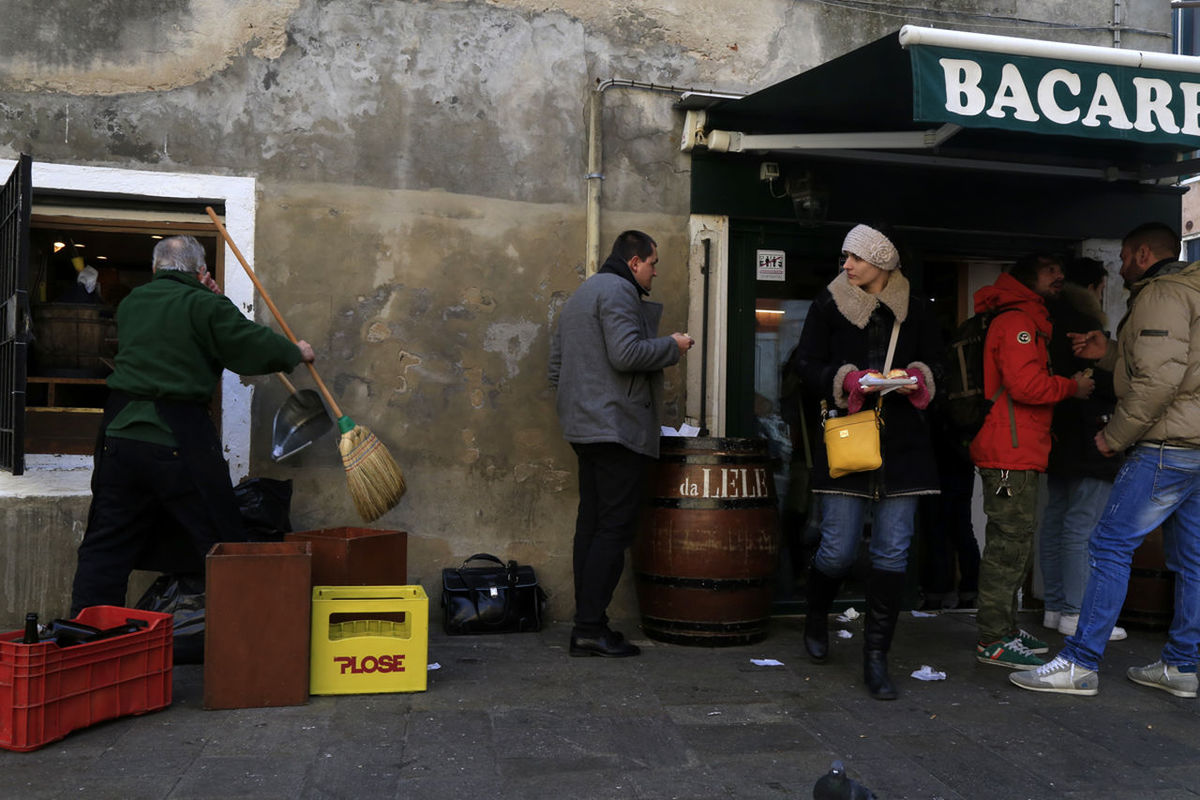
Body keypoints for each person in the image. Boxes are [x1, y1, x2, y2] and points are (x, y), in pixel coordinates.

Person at [70, 235, 315, 614]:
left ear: (155, 269)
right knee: (220, 540)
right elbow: (249, 348)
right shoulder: (204, 305)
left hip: (119, 435)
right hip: (176, 433)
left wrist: (212, 299)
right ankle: (247, 637)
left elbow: (187, 323)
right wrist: (294, 352)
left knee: (106, 544)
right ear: (201, 271)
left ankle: (89, 640)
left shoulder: (134, 302)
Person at [1011, 222, 1200, 698]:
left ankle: (1079, 663)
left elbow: (1158, 383)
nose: (1117, 268)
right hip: (1195, 445)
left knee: (1109, 546)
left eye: (1122, 257)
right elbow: (1173, 369)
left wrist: (1114, 437)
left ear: (1140, 254)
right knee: (1193, 560)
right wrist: (1110, 353)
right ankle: (1181, 665)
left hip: (1164, 447)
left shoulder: (1162, 294)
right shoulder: (1193, 291)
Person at [791, 223, 943, 700]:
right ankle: (816, 616)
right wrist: (847, 379)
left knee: (892, 551)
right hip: (849, 438)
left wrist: (915, 377)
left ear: (881, 262)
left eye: (855, 258)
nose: (846, 265)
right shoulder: (829, 303)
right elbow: (803, 365)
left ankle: (875, 659)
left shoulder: (915, 307)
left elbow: (934, 364)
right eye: (845, 257)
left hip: (903, 446)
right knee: (837, 550)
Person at [548, 230, 693, 658]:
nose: (654, 272)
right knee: (613, 529)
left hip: (586, 429)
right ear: (634, 262)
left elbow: (556, 368)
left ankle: (587, 625)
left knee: (591, 527)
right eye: (652, 264)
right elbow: (626, 354)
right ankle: (590, 628)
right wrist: (672, 345)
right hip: (616, 430)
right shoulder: (617, 291)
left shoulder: (582, 295)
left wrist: (574, 412)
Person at [971, 253, 1094, 670]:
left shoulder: (1026, 318)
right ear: (1026, 277)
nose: (1059, 275)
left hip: (1019, 449)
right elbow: (1025, 386)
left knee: (1016, 541)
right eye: (1049, 269)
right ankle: (992, 639)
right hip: (1009, 451)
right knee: (1007, 545)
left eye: (1060, 269)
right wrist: (1071, 387)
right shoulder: (1018, 323)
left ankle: (1003, 628)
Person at [1038, 257, 1125, 641]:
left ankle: (1055, 608)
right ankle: (1075, 612)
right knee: (1082, 525)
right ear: (1095, 287)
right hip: (1092, 436)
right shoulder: (1087, 326)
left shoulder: (1047, 318)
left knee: (1057, 519)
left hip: (1054, 433)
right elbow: (1111, 383)